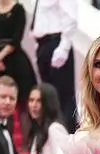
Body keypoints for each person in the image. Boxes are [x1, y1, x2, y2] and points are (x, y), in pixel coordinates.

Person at [30, 0, 79, 132]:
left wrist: (63, 47)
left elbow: (70, 18)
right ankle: (50, 134)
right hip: (43, 45)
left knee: (63, 95)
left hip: (57, 43)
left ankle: (68, 134)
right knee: (47, 95)